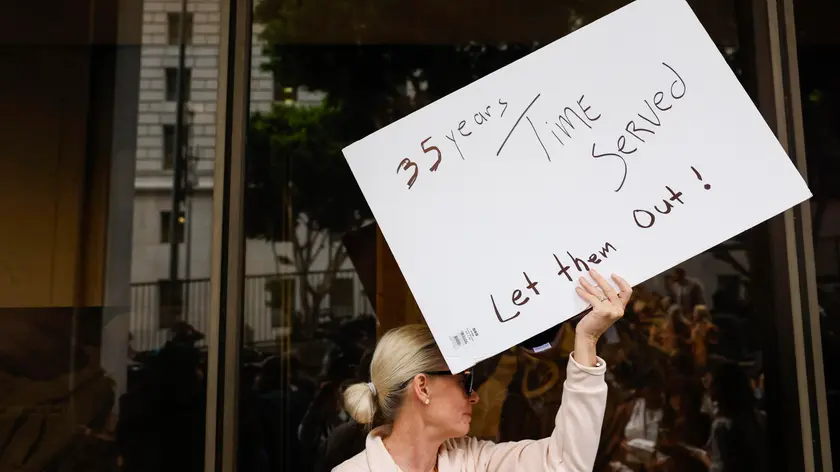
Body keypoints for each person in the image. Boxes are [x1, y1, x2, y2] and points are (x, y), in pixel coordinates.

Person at [335, 269, 632, 472]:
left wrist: (587, 339)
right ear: (422, 387)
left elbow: (564, 463)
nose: (475, 396)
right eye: (466, 381)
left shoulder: (472, 461)